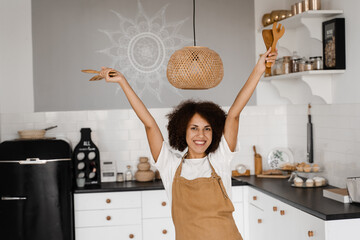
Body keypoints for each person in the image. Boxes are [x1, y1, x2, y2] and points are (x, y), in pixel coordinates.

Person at [100, 47, 277, 240]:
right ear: (182, 130)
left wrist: (259, 70)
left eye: (207, 128)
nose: (200, 135)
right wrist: (122, 82)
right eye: (194, 128)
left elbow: (234, 114)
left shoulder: (220, 159)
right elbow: (149, 124)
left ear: (214, 132)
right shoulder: (170, 165)